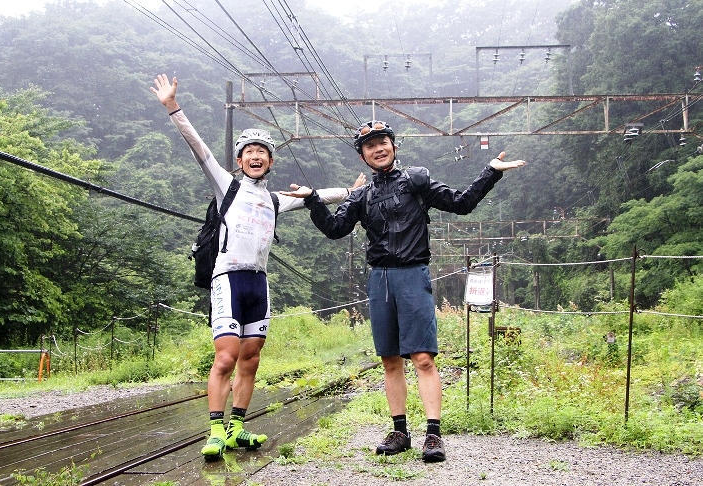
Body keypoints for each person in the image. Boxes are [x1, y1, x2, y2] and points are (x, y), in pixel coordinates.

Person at [282, 120, 525, 462]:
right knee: (390, 359)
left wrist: (491, 171)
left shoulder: (416, 180)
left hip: (413, 274)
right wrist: (312, 201)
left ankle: (433, 435)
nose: (378, 148)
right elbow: (335, 229)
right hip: (380, 278)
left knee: (423, 357)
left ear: (394, 146)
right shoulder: (361, 196)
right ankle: (399, 431)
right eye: (370, 146)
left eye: (383, 142)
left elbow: (462, 203)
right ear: (363, 156)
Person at [150, 74, 365, 460]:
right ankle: (215, 431)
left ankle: (236, 428)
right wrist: (172, 107)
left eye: (262, 152)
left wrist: (352, 191)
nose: (255, 156)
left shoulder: (276, 200)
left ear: (270, 161)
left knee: (251, 358)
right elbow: (198, 147)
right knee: (226, 357)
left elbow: (317, 196)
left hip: (259, 284)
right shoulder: (225, 186)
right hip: (228, 280)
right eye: (249, 151)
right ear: (239, 160)